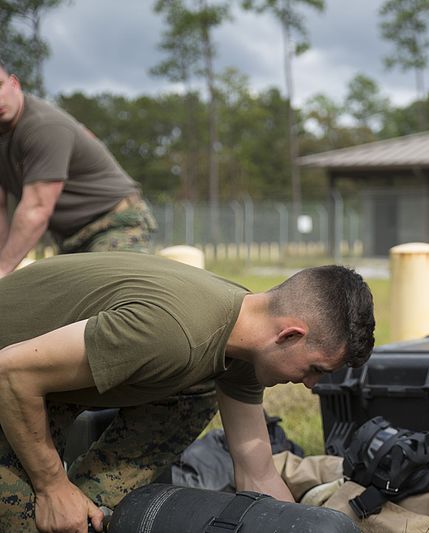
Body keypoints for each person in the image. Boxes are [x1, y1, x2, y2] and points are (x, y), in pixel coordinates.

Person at [0, 252, 376, 533]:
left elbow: (257, 473)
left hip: (39, 380)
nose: (312, 385)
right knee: (33, 521)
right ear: (290, 335)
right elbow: (11, 372)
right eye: (315, 370)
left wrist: (300, 527)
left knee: (195, 391)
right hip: (12, 382)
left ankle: (91, 502)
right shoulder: (173, 333)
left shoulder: (244, 342)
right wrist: (51, 487)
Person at [0, 59, 157, 278]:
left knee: (111, 292)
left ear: (14, 83)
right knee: (55, 304)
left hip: (114, 223)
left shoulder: (42, 126)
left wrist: (3, 270)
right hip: (71, 238)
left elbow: (36, 209)